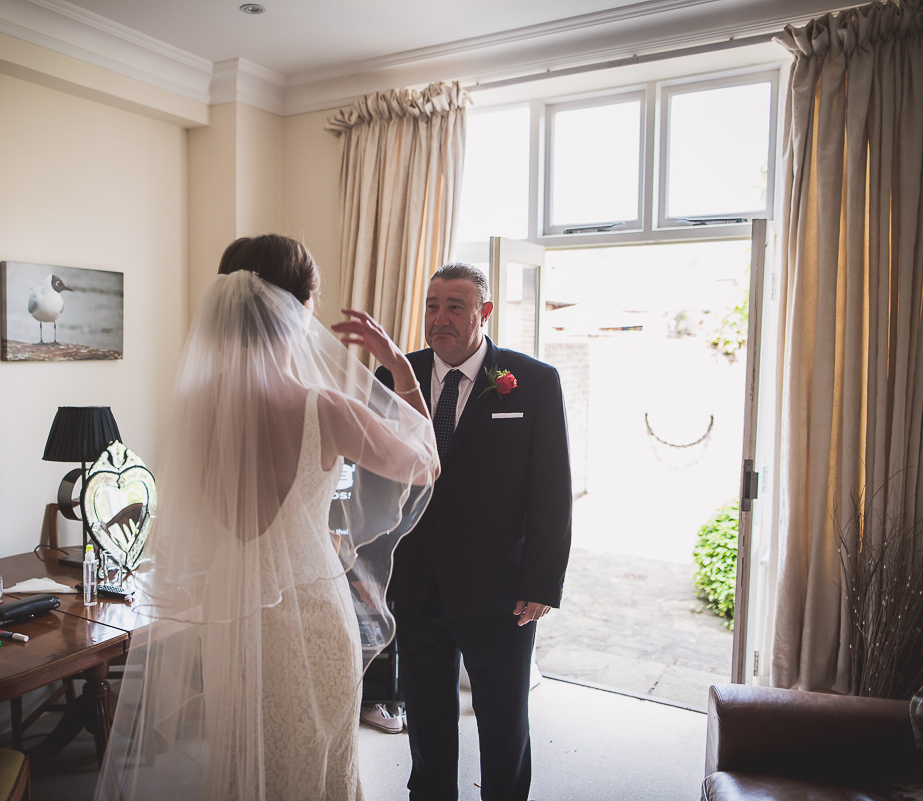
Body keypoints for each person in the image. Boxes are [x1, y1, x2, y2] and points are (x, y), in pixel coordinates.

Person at [95, 235, 440, 801]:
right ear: (299, 309)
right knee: (316, 767)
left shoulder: (195, 408)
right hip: (314, 611)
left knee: (244, 763)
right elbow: (426, 464)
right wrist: (401, 370)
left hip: (233, 619)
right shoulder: (325, 408)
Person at [376, 264, 572, 801]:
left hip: (501, 591)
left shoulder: (532, 381)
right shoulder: (394, 375)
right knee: (428, 723)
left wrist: (541, 584)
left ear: (484, 313)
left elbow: (551, 492)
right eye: (432, 305)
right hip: (416, 584)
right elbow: (376, 478)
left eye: (455, 306)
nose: (440, 317)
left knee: (503, 725)